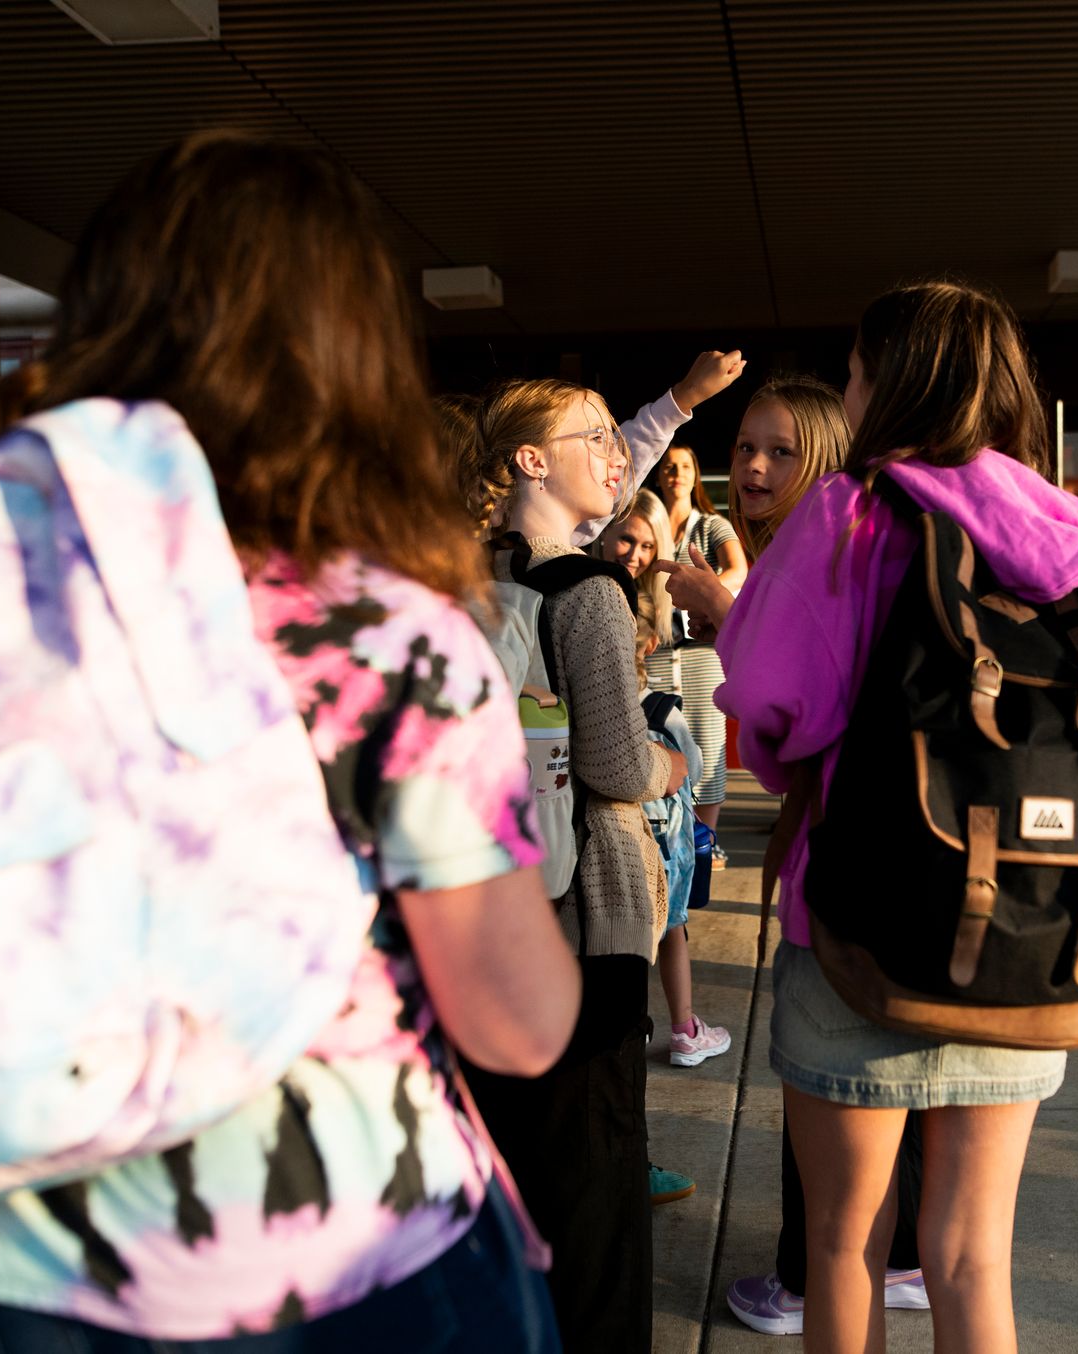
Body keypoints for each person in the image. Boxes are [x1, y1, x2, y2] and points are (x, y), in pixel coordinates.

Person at [0, 132, 579, 1353]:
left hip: (45, 1259)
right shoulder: (392, 642)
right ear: (348, 356)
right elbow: (517, 1024)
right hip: (345, 1253)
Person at [689, 282, 1078, 1352]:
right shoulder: (1071, 524)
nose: (849, 387)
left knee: (843, 1242)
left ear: (893, 379)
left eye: (853, 368)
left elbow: (767, 703)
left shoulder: (848, 512)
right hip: (1027, 923)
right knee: (973, 1255)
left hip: (857, 920)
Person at [663, 377, 930, 1338]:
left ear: (821, 459)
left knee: (823, 1077)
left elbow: (800, 714)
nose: (755, 467)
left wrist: (722, 607)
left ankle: (801, 1280)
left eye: (781, 450)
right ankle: (896, 1260)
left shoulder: (822, 550)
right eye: (744, 448)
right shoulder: (839, 545)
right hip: (879, 850)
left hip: (849, 853)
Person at [457, 378, 687, 1354]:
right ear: (528, 460)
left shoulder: (466, 579)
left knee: (507, 1175)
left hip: (482, 921)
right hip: (584, 922)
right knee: (592, 1193)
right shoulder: (587, 591)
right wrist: (673, 755)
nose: (609, 447)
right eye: (586, 433)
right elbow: (613, 767)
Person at [596, 491, 732, 1072]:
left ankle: (623, 1029)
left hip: (620, 846)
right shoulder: (665, 712)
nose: (636, 551)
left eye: (647, 544)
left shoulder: (603, 711)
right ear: (649, 647)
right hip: (668, 853)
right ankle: (684, 1028)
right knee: (673, 932)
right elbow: (696, 772)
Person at [652, 443, 748, 860]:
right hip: (656, 649)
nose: (677, 473)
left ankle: (706, 842)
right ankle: (668, 840)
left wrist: (704, 594)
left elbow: (740, 568)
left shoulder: (711, 525)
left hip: (700, 651)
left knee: (707, 745)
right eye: (669, 467)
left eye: (685, 466)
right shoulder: (649, 522)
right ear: (660, 476)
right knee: (658, 738)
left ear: (695, 475)